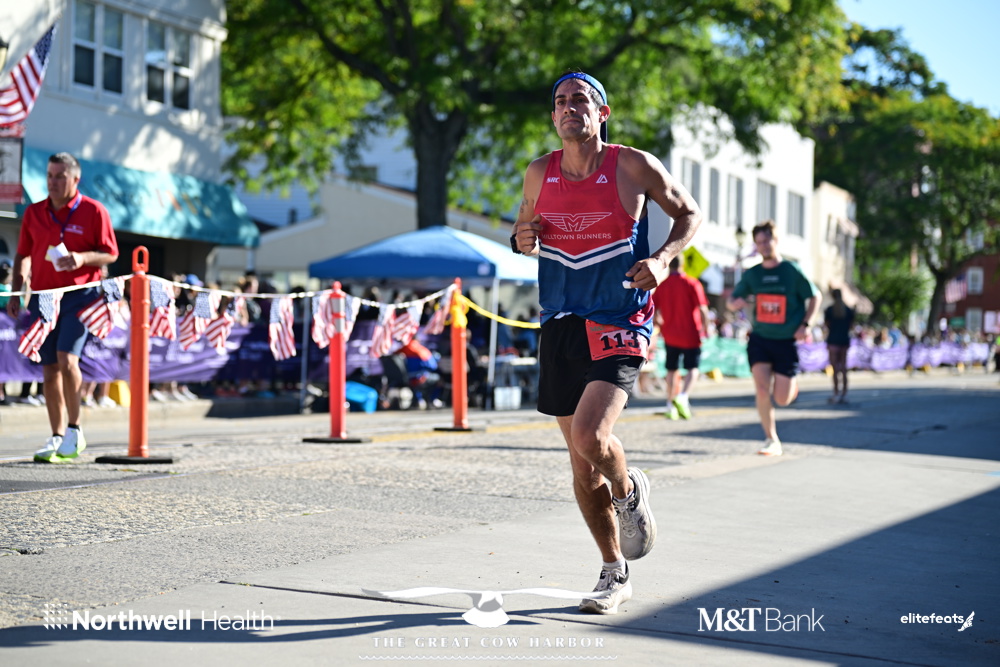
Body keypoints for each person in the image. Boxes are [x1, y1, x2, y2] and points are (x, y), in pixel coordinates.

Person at [511, 71, 702, 614]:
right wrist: (522, 238)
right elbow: (524, 233)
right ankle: (613, 571)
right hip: (561, 321)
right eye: (561, 102)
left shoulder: (632, 165)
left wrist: (662, 259)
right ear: (553, 115)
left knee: (591, 438)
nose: (570, 108)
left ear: (602, 112)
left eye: (581, 100)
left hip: (619, 318)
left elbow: (688, 213)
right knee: (580, 465)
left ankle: (627, 491)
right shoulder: (539, 171)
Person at [7, 152, 119, 463]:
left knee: (67, 359)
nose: (53, 182)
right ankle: (56, 435)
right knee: (49, 368)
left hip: (79, 296)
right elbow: (23, 254)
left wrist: (83, 258)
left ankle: (74, 429)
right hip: (43, 297)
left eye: (60, 176)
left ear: (75, 179)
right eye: (49, 175)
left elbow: (110, 253)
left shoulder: (94, 211)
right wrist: (17, 291)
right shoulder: (34, 212)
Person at [726, 220, 819, 457]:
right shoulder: (753, 274)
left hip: (786, 340)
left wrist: (806, 325)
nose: (764, 246)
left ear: (776, 241)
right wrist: (734, 303)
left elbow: (815, 296)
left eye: (767, 241)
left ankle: (791, 387)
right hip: (761, 338)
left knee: (782, 399)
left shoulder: (791, 270)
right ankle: (771, 439)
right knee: (761, 388)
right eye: (759, 242)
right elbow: (731, 300)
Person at [651, 255, 710, 420]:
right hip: (691, 333)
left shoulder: (663, 285)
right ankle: (683, 396)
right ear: (683, 265)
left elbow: (652, 307)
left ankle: (670, 405)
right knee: (693, 368)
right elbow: (703, 309)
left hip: (670, 334)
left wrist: (658, 322)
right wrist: (706, 329)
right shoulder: (692, 283)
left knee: (671, 369)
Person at [823, 288, 855, 404]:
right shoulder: (848, 310)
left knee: (835, 369)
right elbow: (851, 326)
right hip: (844, 340)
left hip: (833, 341)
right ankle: (844, 393)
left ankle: (836, 393)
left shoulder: (829, 310)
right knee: (843, 368)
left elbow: (827, 325)